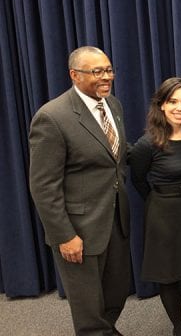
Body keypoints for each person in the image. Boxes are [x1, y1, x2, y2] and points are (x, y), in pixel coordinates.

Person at [29, 46, 130, 336]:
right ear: (74, 75)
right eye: (97, 71)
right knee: (88, 306)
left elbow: (115, 157)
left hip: (115, 219)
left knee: (115, 293)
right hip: (78, 230)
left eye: (108, 70)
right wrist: (64, 236)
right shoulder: (52, 117)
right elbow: (43, 185)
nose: (106, 77)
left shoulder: (113, 104)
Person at [129, 77, 181, 336]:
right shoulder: (147, 143)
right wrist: (160, 199)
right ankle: (177, 326)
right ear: (161, 105)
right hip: (162, 214)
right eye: (173, 101)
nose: (180, 107)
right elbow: (139, 180)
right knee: (169, 274)